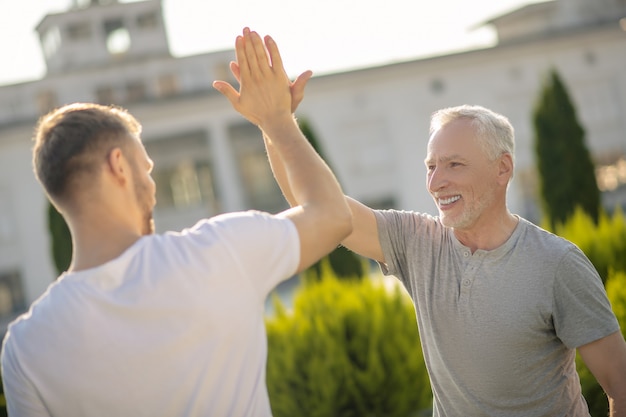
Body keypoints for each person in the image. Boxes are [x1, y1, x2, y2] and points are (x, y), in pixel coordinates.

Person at [0, 28, 351, 417]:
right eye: (146, 170)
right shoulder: (219, 253)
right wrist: (277, 121)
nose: (152, 186)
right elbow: (332, 216)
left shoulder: (25, 348)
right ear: (118, 166)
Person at [260, 75, 626, 414]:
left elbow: (620, 386)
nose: (436, 182)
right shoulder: (416, 241)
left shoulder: (557, 264)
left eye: (454, 165)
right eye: (431, 166)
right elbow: (317, 206)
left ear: (503, 169)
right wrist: (274, 124)